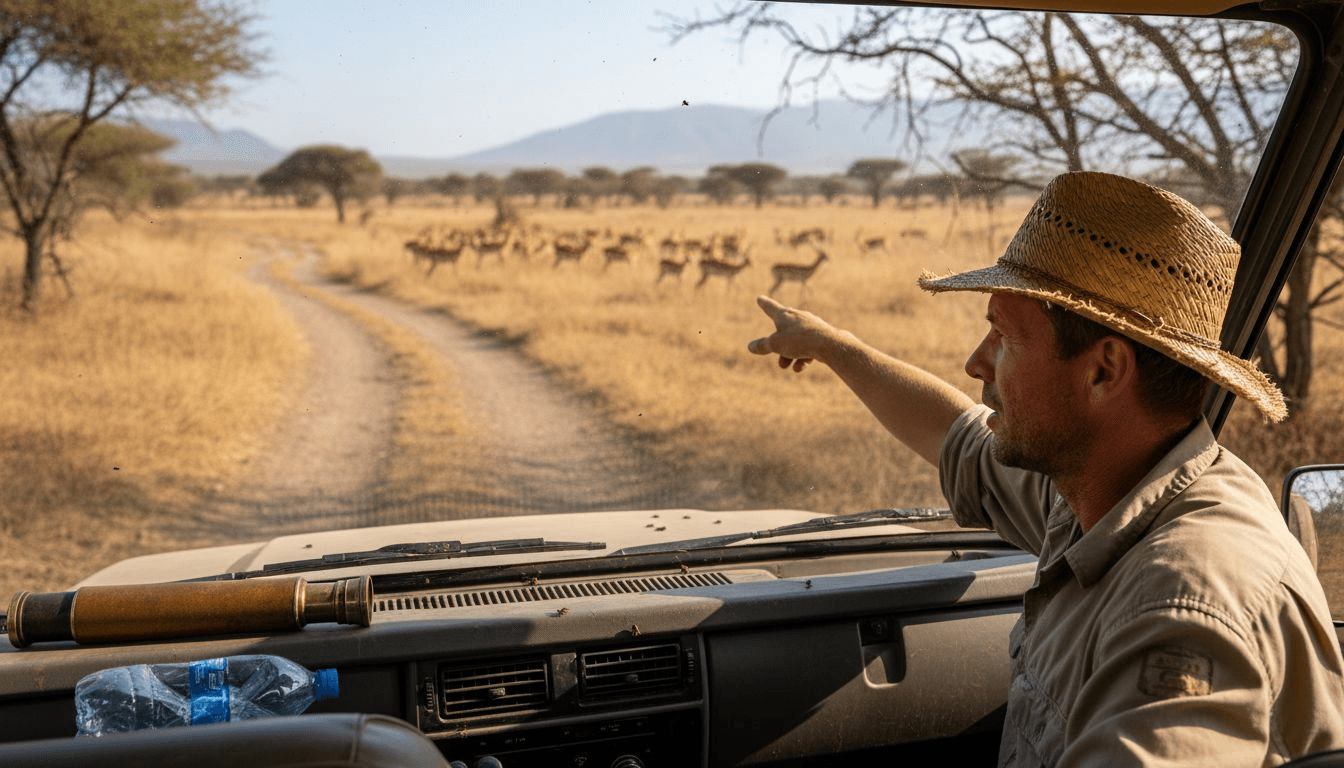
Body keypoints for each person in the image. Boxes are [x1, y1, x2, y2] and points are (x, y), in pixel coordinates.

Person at [747, 171, 1344, 767]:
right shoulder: (1100, 488)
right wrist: (831, 345)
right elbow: (955, 435)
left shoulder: (1181, 609)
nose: (976, 362)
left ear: (1103, 371)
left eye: (1004, 338)